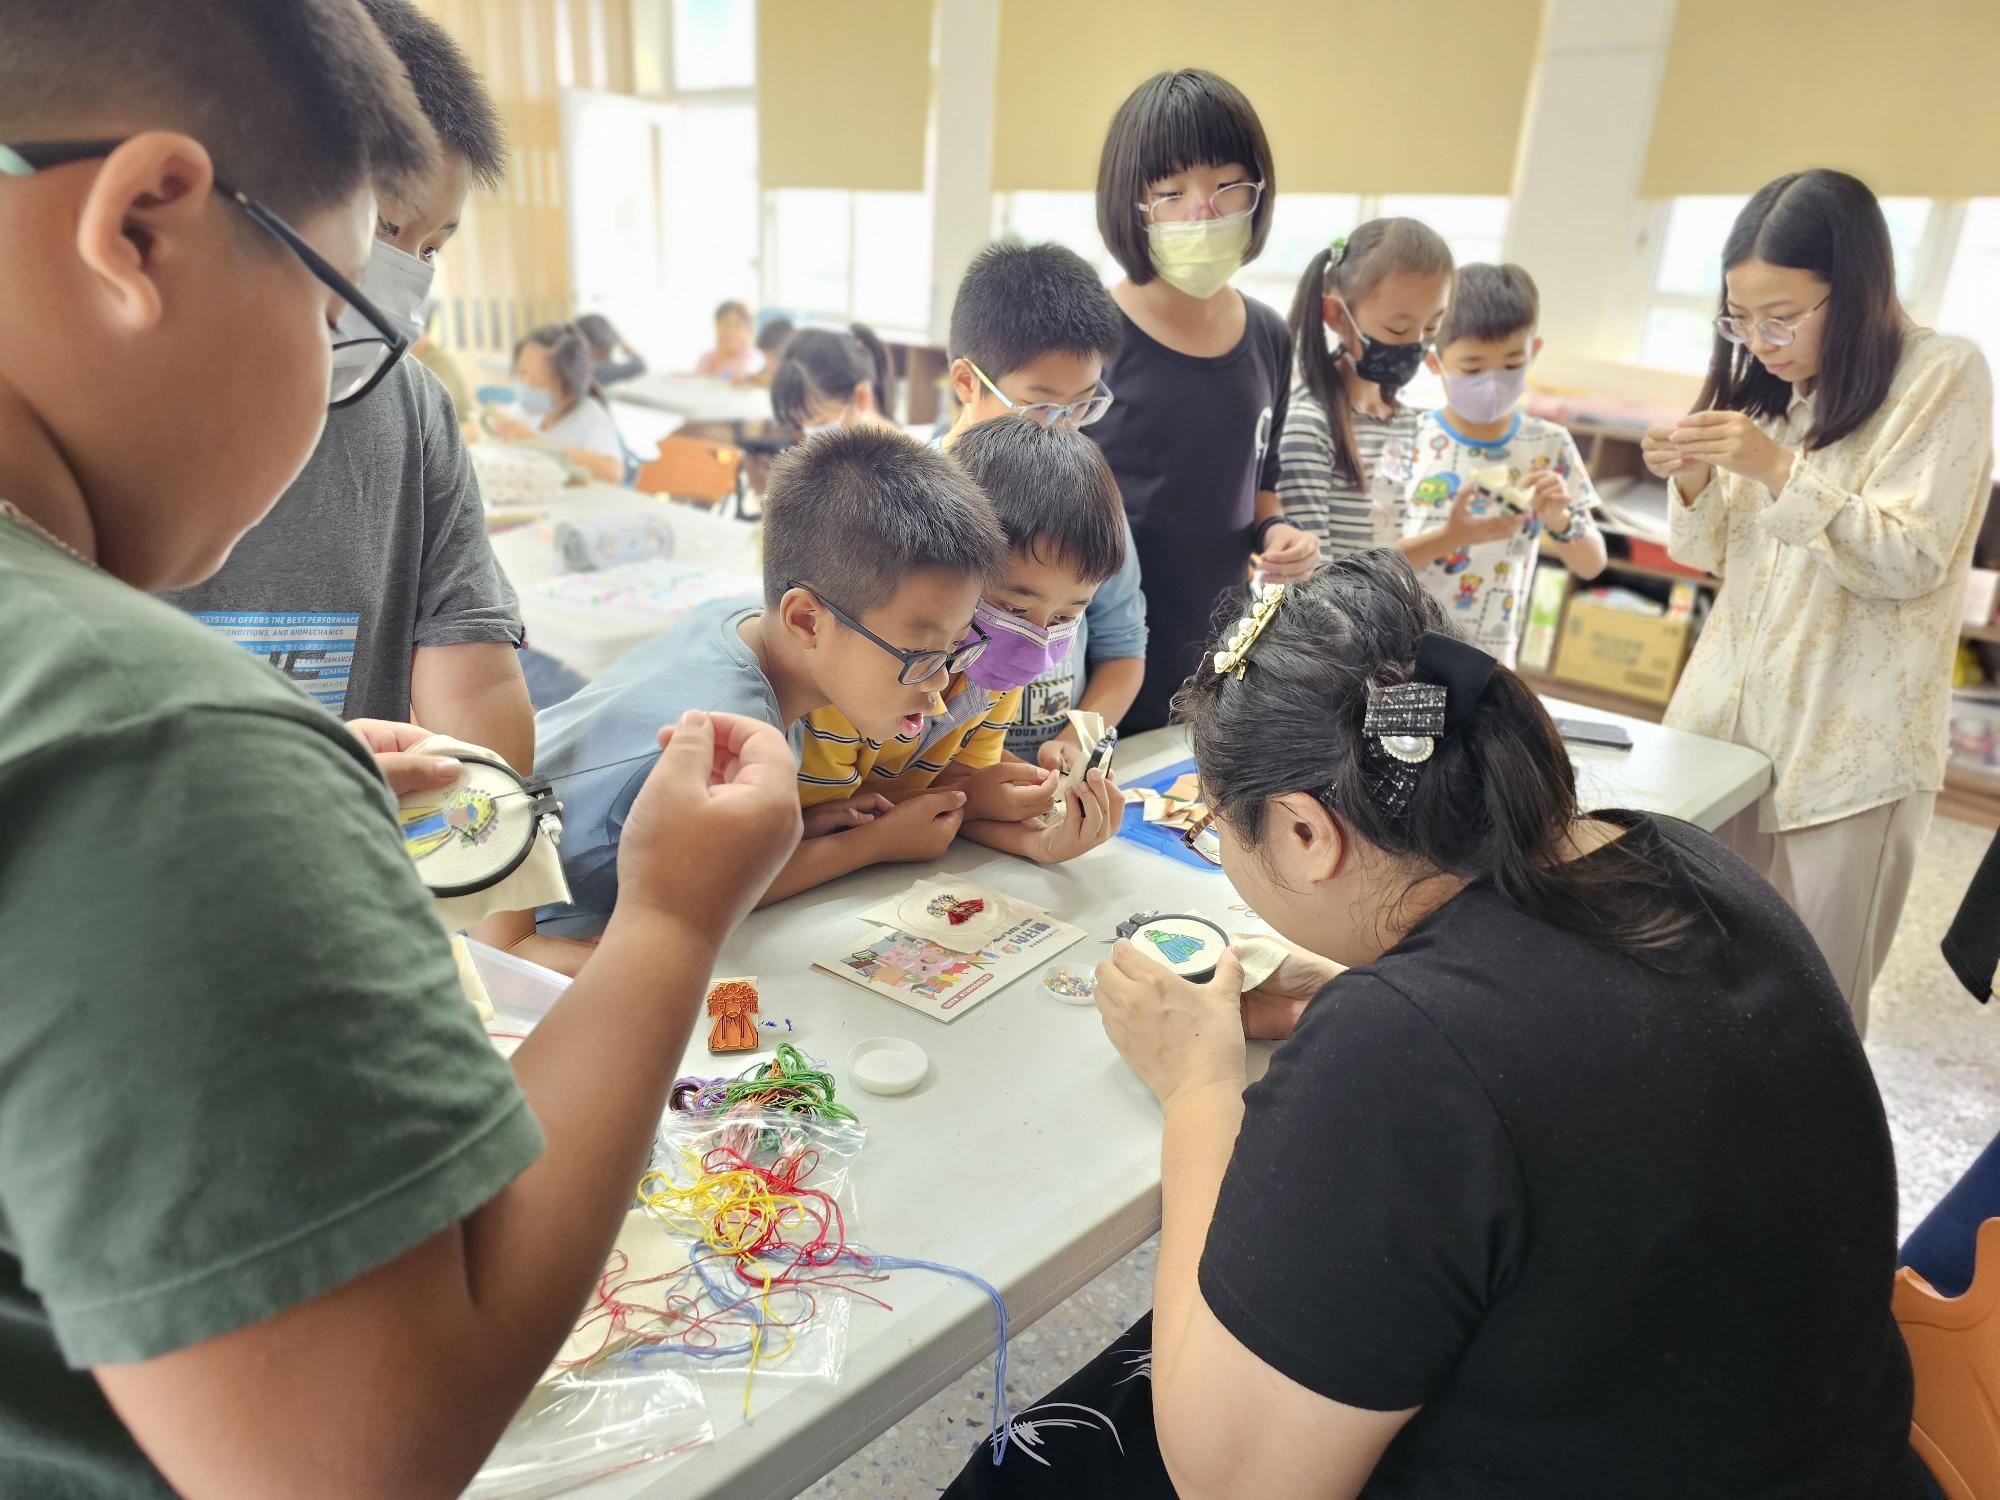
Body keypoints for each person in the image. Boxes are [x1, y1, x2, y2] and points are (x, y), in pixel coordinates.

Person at [0, 5, 802, 1498]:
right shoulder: (155, 740)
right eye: (328, 318)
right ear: (144, 228)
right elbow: (352, 1458)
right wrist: (673, 919)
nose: (346, 376)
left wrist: (275, 815)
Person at [944, 553, 1927, 1499]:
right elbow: (1555, 1054)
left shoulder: (1407, 1054)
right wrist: (1360, 998)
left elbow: (1229, 1480)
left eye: (1211, 826)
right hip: (1821, 1453)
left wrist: (1196, 1083)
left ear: (1303, 832)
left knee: (1028, 1467)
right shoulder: (1674, 856)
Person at [1643, 168, 1995, 1034]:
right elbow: (1713, 558)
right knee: (1694, 982)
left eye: (1781, 316)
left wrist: (1772, 467)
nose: (1758, 339)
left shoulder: (1940, 374)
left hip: (1847, 759)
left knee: (1813, 1016)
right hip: (1725, 735)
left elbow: (1911, 559)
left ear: (1860, 286)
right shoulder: (1782, 393)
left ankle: (1798, 1175)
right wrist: (1691, 481)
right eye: (1740, 318)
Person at [159, 0, 531, 770]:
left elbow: (477, 683)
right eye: (388, 229)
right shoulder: (109, 416)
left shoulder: (413, 412)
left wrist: (503, 870)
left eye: (433, 248)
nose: (407, 277)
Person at [513, 425, 1007, 973]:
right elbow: (705, 901)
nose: (939, 684)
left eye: (954, 650)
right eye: (920, 654)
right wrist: (874, 845)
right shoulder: (729, 735)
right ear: (805, 619)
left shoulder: (750, 627)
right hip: (527, 927)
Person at [1084, 68, 1320, 733]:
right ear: (1132, 204)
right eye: (1171, 191)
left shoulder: (1270, 335)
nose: (1202, 211)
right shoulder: (1088, 338)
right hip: (1099, 651)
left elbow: (1260, 487)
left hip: (1219, 648)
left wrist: (1282, 537)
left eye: (1226, 186)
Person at [800, 415, 1123, 862]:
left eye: (1067, 615)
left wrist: (1040, 841)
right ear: (949, 565)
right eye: (1012, 609)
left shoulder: (995, 674)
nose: (1035, 641)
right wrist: (972, 796)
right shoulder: (859, 670)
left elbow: (951, 794)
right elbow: (830, 822)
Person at [941, 241, 1148, 769]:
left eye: (1082, 405)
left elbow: (1123, 649)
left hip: (1046, 776)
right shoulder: (917, 496)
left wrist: (1079, 739)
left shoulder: (1090, 500)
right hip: (934, 778)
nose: (1064, 427)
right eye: (1039, 406)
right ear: (968, 382)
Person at [1372, 263, 1607, 666]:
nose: (1493, 381)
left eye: (1512, 363)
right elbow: (1371, 563)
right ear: (1435, 362)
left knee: (1481, 732)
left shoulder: (1548, 445)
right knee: (1401, 730)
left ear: (1533, 352)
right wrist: (1451, 536)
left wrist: (1561, 520)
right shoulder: (1405, 437)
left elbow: (1592, 563)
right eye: (1473, 367)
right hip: (1403, 655)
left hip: (1491, 662)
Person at [1279, 219, 1454, 560]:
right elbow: (1313, 584)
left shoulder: (1406, 421)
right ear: (1336, 316)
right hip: (1332, 613)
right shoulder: (1309, 426)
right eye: (1397, 328)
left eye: (1432, 325)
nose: (1417, 343)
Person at [493, 321, 628, 469]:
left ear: (569, 389)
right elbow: (477, 430)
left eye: (541, 382)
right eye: (522, 373)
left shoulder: (590, 416)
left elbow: (612, 471)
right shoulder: (525, 411)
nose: (527, 385)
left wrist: (536, 442)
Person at [770, 323, 898, 434]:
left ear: (861, 397)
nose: (811, 435)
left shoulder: (909, 459)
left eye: (822, 424)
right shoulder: (849, 452)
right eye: (802, 425)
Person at [576, 310, 646, 388]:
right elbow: (639, 366)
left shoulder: (573, 369)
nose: (610, 353)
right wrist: (622, 342)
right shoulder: (595, 371)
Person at [697, 297, 757, 380]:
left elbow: (742, 374)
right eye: (725, 324)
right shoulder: (705, 359)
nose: (730, 332)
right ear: (716, 326)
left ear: (748, 330)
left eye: (737, 326)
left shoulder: (752, 358)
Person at [741, 314, 795, 387]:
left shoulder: (796, 373)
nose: (768, 362)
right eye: (765, 355)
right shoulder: (765, 369)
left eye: (770, 357)